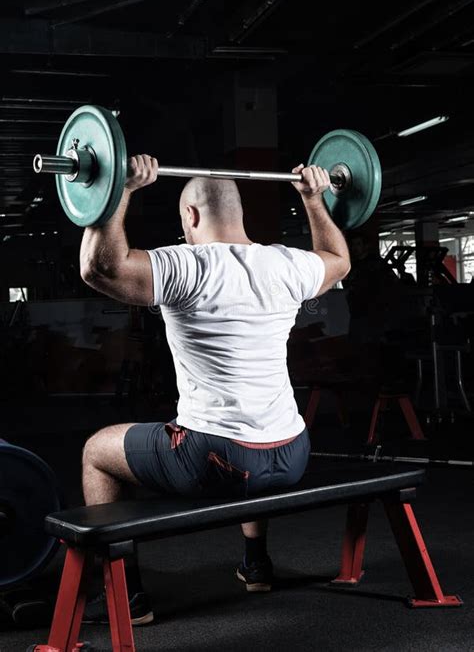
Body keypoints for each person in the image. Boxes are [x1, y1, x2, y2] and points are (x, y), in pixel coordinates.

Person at [79, 156, 351, 624]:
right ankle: (256, 563)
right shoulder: (284, 263)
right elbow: (339, 261)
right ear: (238, 215)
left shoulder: (185, 263)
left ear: (190, 217)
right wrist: (313, 200)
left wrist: (115, 194)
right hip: (292, 453)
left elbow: (99, 269)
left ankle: (125, 595)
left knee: (96, 450)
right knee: (253, 429)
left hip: (214, 461)